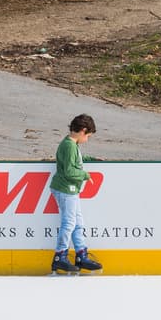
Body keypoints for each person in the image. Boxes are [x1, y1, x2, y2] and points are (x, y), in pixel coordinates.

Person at [49, 114, 101, 275]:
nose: (88, 139)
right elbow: (70, 171)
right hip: (66, 189)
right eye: (89, 136)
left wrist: (89, 158)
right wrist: (85, 175)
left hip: (71, 190)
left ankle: (81, 254)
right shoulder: (69, 145)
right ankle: (60, 256)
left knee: (77, 223)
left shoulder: (71, 144)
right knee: (69, 223)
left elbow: (73, 160)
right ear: (83, 131)